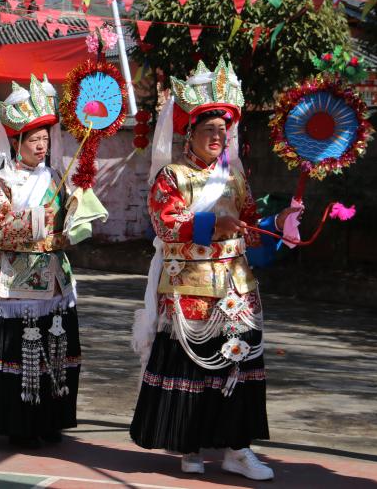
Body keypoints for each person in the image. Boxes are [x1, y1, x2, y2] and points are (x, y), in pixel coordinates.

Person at [129, 59, 297, 481]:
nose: (218, 137)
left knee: (238, 366)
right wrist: (213, 224)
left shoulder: (235, 178)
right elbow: (166, 224)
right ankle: (189, 444)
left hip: (236, 288)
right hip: (189, 289)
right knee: (193, 369)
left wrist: (279, 224)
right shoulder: (171, 177)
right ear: (190, 132)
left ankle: (237, 448)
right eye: (209, 129)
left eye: (224, 130)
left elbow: (250, 229)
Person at [0, 75, 81, 448]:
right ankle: (17, 423)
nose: (41, 145)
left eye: (45, 138)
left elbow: (66, 225)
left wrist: (76, 217)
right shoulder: (2, 183)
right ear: (16, 142)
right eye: (33, 139)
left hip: (56, 278)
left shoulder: (56, 178)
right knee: (21, 353)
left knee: (57, 348)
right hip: (18, 282)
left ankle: (50, 418)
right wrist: (36, 219)